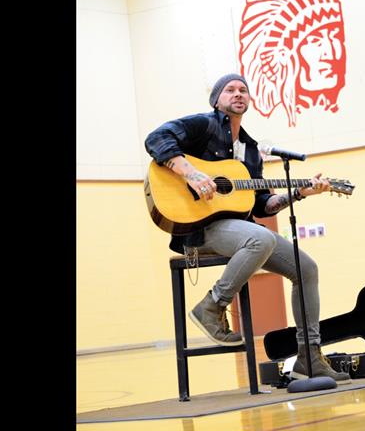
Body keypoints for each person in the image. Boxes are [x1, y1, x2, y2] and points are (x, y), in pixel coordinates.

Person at [144, 73, 351, 383]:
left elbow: (261, 204)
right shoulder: (203, 125)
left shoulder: (252, 150)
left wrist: (299, 193)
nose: (238, 93)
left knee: (306, 268)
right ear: (217, 99)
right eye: (230, 89)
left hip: (241, 231)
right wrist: (192, 175)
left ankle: (309, 356)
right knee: (260, 238)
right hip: (199, 228)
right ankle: (212, 306)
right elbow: (156, 139)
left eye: (243, 90)